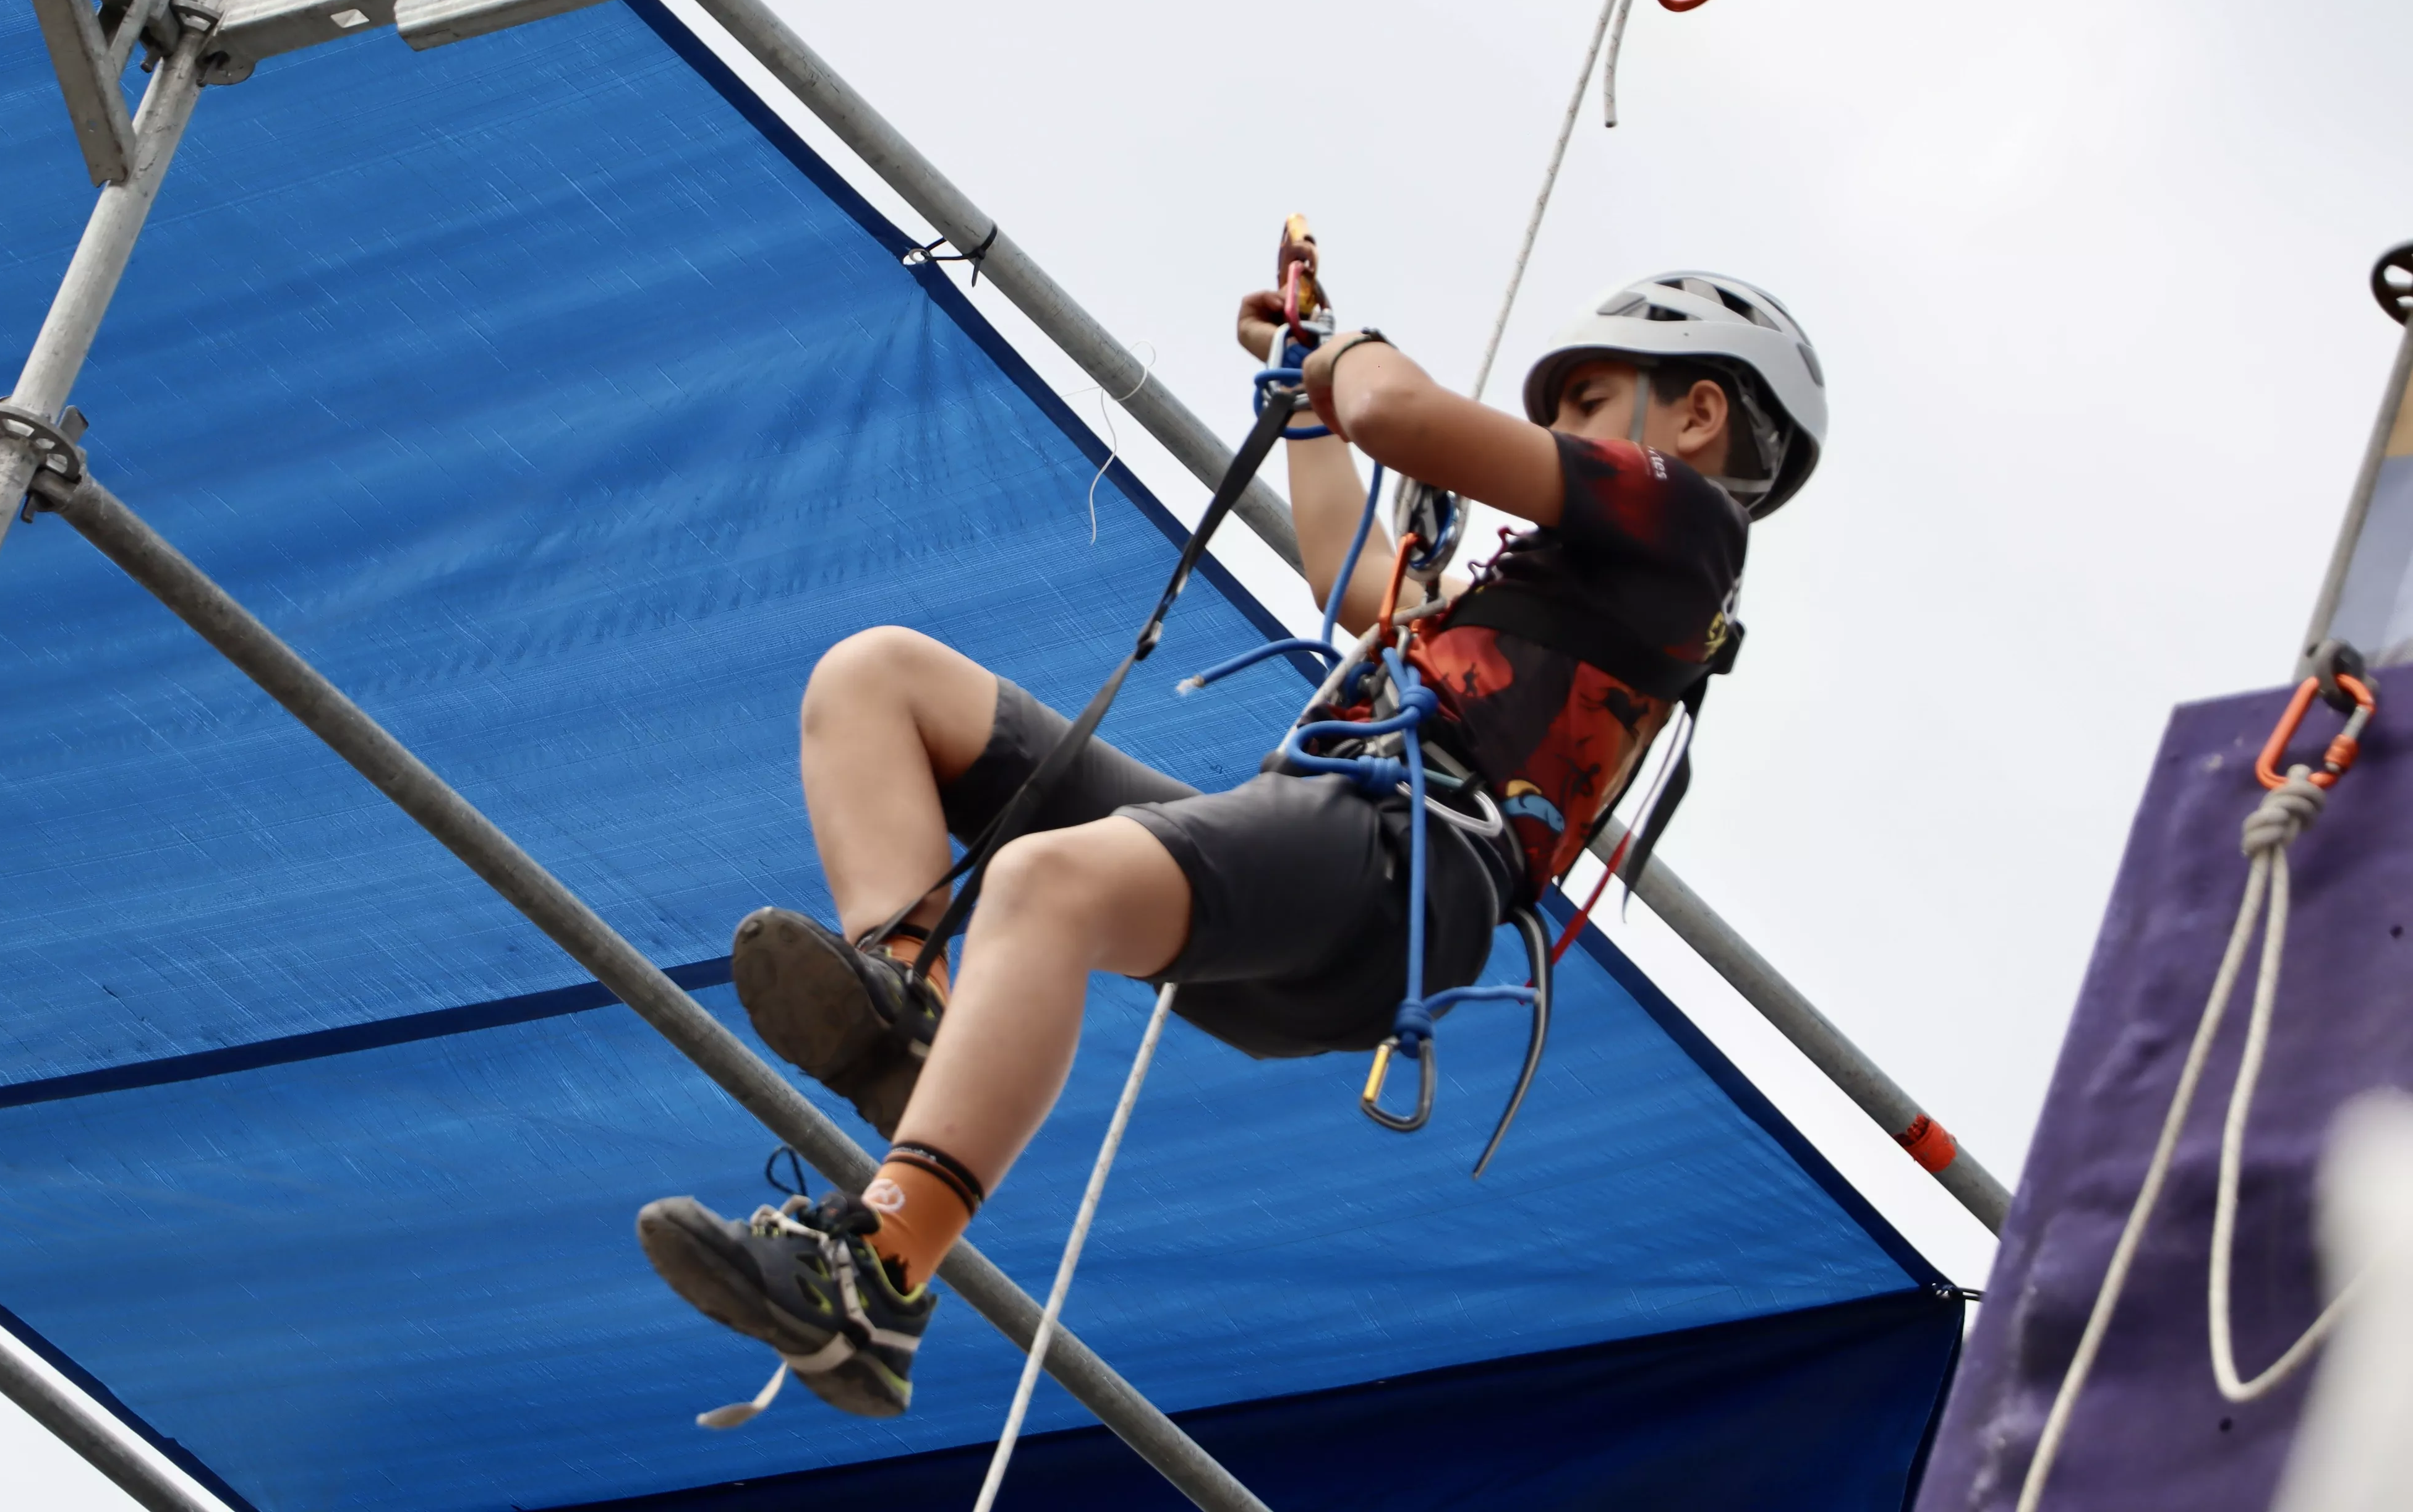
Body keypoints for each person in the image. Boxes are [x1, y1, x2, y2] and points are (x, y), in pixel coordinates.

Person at [634, 246, 1828, 1419]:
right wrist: (1311, 391)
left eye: (1586, 400)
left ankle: (882, 1273)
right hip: (1327, 855)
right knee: (879, 680)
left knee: (1047, 881)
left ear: (1698, 413)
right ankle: (912, 1012)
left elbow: (1402, 414)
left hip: (1401, 868)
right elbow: (1358, 581)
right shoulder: (1574, 589)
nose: (1561, 426)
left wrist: (1346, 360)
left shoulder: (1688, 526)